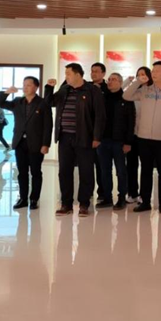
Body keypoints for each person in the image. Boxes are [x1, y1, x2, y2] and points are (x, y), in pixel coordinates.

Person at [44, 63, 106, 217]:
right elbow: (50, 103)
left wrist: (97, 137)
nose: (66, 77)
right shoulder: (65, 89)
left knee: (86, 171)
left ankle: (84, 204)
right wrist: (49, 88)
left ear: (78, 75)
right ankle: (66, 204)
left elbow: (100, 115)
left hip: (84, 136)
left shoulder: (92, 90)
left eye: (68, 74)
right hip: (64, 137)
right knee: (64, 171)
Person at [123, 61, 161, 215]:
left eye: (157, 71)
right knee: (145, 171)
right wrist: (137, 81)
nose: (153, 73)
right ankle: (145, 202)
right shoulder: (144, 90)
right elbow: (126, 95)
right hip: (143, 137)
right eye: (153, 70)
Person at [0, 77, 52, 210]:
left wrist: (46, 144)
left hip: (36, 143)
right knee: (22, 172)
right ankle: (23, 198)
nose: (25, 87)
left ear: (36, 87)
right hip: (20, 142)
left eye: (29, 85)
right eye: (24, 85)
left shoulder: (43, 103)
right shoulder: (17, 102)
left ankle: (34, 199)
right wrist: (7, 92)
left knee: (36, 172)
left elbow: (48, 126)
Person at [97, 72, 136, 210]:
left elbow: (131, 122)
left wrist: (128, 142)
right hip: (103, 141)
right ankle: (107, 198)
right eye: (109, 79)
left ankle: (121, 198)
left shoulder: (126, 99)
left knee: (121, 171)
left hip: (119, 141)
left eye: (114, 79)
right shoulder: (102, 99)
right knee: (104, 170)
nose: (110, 82)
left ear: (120, 82)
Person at [123, 66, 151, 204]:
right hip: (132, 135)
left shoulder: (151, 92)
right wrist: (129, 82)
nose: (141, 76)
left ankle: (144, 195)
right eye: (139, 74)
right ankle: (132, 192)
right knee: (131, 165)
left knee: (146, 166)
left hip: (146, 135)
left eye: (144, 74)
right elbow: (122, 93)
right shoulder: (134, 92)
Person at [91, 62, 110, 202]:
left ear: (103, 73)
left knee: (101, 165)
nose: (94, 73)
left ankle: (102, 192)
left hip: (102, 133)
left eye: (97, 71)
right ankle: (87, 191)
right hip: (87, 131)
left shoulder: (107, 89)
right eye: (92, 71)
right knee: (86, 165)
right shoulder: (86, 87)